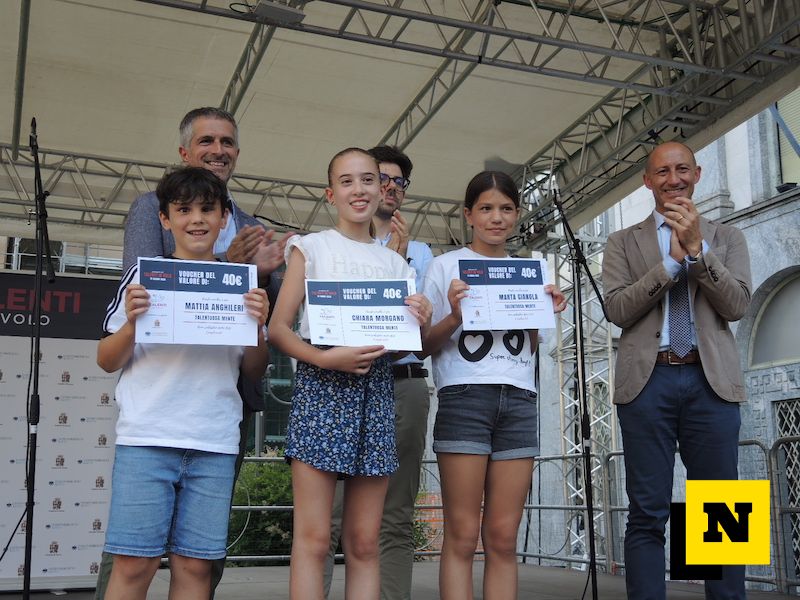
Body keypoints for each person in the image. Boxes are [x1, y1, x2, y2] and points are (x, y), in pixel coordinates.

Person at [95, 106, 285, 600]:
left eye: (207, 211)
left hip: (214, 440)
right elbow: (106, 358)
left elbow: (254, 368)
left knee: (197, 570)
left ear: (224, 220)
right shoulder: (144, 277)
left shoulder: (243, 285)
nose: (196, 219)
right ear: (166, 218)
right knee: (132, 566)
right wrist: (134, 323)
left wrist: (258, 327)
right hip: (148, 436)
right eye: (184, 211)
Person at [268, 147, 432, 599]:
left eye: (368, 180)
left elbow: (400, 344)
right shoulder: (311, 247)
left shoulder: (396, 263)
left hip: (376, 393)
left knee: (363, 541)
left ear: (382, 189)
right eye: (346, 181)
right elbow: (277, 329)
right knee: (315, 538)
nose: (358, 190)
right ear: (330, 194)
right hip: (321, 389)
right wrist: (324, 359)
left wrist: (420, 319)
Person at [602, 141, 751, 600]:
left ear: (697, 174)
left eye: (682, 169)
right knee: (648, 511)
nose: (674, 179)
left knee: (719, 508)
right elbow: (617, 310)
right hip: (649, 382)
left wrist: (698, 252)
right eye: (662, 172)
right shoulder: (622, 241)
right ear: (648, 181)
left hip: (711, 381)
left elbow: (737, 305)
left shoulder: (728, 237)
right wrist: (670, 263)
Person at [419, 171, 566, 600]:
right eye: (486, 208)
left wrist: (543, 310)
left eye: (505, 209)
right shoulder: (445, 266)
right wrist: (455, 315)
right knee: (463, 534)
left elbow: (531, 346)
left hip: (519, 398)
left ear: (517, 214)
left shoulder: (531, 270)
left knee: (503, 536)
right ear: (468, 215)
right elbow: (422, 345)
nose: (496, 218)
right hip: (464, 396)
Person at [323, 145, 434, 600]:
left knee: (394, 514)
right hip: (342, 382)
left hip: (403, 383)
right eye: (378, 177)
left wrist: (401, 266)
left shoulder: (423, 253)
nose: (388, 187)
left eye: (397, 181)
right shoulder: (331, 246)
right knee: (328, 517)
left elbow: (422, 337)